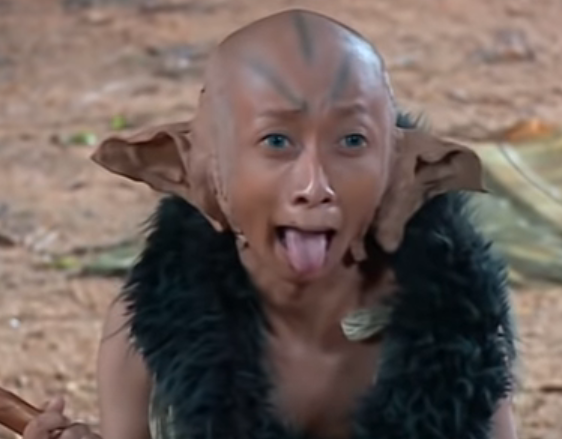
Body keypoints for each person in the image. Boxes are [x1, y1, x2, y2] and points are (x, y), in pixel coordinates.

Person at [23, 9, 518, 439]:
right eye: (276, 141)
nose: (315, 185)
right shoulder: (142, 333)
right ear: (191, 168)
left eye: (351, 141)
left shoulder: (454, 332)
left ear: (404, 168)